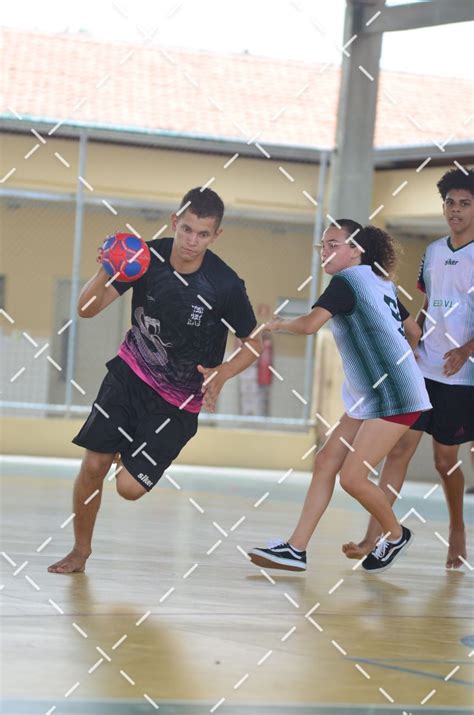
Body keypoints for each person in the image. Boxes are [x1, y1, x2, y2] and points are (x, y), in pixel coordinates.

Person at [48, 187, 260, 574]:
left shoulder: (226, 286)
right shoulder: (145, 258)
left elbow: (253, 344)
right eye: (187, 229)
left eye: (203, 234)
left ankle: (124, 449)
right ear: (174, 222)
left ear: (216, 236)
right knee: (93, 464)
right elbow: (87, 310)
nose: (192, 241)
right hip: (130, 375)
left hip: (178, 403)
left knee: (128, 488)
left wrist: (224, 373)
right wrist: (105, 269)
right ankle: (80, 551)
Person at [248, 220, 431, 574]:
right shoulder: (381, 283)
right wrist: (400, 358)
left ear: (355, 249)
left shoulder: (347, 281)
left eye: (334, 244)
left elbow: (310, 325)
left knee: (352, 478)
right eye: (322, 246)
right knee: (326, 461)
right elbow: (414, 330)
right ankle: (295, 549)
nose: (325, 252)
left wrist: (278, 324)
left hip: (395, 396)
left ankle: (395, 534)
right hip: (375, 394)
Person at [343, 168, 474, 569]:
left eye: (464, 204)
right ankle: (376, 535)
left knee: (444, 460)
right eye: (450, 203)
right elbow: (429, 303)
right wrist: (412, 340)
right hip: (423, 369)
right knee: (398, 449)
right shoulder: (434, 252)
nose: (455, 210)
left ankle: (457, 527)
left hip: (461, 377)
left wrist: (466, 350)